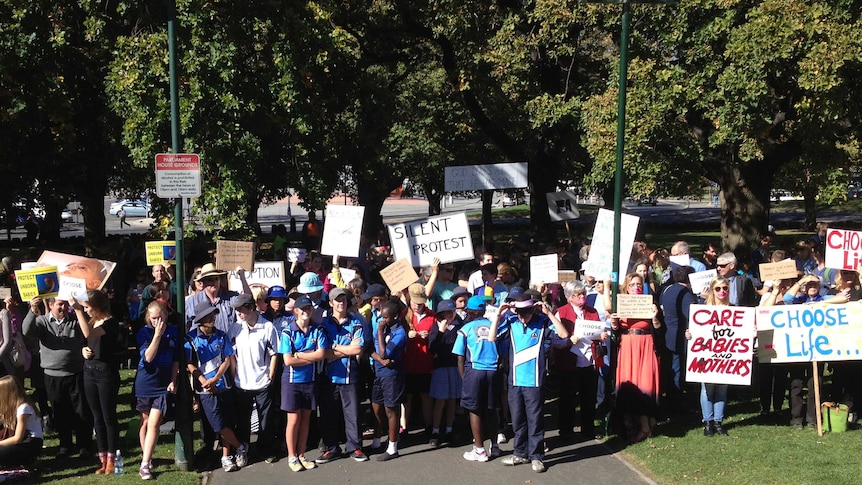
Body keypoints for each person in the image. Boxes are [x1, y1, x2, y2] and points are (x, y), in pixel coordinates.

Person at [491, 294, 569, 473]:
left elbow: (564, 335)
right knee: (518, 420)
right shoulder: (510, 322)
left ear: (533, 309)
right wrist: (498, 316)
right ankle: (520, 453)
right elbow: (491, 338)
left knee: (535, 420)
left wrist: (549, 314)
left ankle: (536, 456)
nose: (522, 317)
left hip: (535, 380)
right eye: (519, 313)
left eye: (526, 312)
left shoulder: (542, 322)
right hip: (515, 381)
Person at [22, 296, 92, 457]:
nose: (63, 308)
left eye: (65, 305)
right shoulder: (43, 322)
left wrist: (78, 308)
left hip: (75, 372)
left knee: (81, 411)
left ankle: (84, 445)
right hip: (52, 375)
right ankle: (65, 445)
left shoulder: (74, 319)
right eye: (60, 304)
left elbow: (89, 325)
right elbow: (27, 331)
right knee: (60, 411)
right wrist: (32, 311)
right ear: (51, 305)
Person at [185, 301, 247, 473]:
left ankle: (226, 457)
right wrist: (204, 380)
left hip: (223, 386)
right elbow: (189, 363)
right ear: (200, 319)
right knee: (218, 425)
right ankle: (241, 446)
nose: (212, 318)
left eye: (213, 314)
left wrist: (216, 379)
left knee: (227, 422)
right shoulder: (190, 339)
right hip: (204, 390)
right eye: (207, 316)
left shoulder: (221, 335)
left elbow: (227, 359)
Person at [70, 290, 122, 474]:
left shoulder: (111, 323)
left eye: (87, 307)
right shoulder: (92, 321)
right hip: (89, 372)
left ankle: (112, 459)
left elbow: (89, 332)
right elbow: (86, 338)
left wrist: (77, 311)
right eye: (84, 308)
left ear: (98, 306)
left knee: (108, 417)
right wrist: (84, 350)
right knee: (96, 417)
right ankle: (102, 458)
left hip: (105, 373)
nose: (86, 311)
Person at [607, 273, 661, 443]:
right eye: (633, 285)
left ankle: (646, 425)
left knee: (645, 384)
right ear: (627, 288)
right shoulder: (621, 304)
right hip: (628, 345)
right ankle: (631, 423)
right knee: (629, 384)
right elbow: (616, 330)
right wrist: (614, 324)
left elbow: (659, 329)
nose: (636, 287)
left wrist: (655, 318)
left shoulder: (650, 303)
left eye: (639, 284)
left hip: (645, 344)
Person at [316, 288, 367, 464]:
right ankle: (331, 448)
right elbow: (323, 352)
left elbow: (358, 349)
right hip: (328, 377)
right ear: (330, 303)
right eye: (337, 300)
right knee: (328, 414)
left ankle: (355, 447)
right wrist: (345, 349)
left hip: (349, 374)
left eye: (343, 299)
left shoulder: (356, 322)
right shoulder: (323, 324)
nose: (341, 302)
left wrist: (335, 347)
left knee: (352, 413)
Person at [228, 294, 280, 464]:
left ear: (251, 308)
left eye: (241, 309)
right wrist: (233, 376)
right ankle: (244, 450)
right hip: (241, 383)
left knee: (266, 420)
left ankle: (266, 449)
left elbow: (274, 354)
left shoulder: (268, 327)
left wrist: (270, 376)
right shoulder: (235, 328)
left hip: (262, 382)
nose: (238, 313)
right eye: (236, 310)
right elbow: (232, 356)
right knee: (242, 421)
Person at [278, 295, 328, 472]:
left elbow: (321, 354)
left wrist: (300, 355)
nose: (306, 312)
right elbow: (288, 361)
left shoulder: (317, 329)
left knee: (306, 418)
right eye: (303, 309)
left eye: (309, 308)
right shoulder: (287, 332)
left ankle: (301, 454)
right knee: (294, 419)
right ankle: (291, 456)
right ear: (296, 311)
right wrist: (309, 357)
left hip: (310, 380)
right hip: (292, 381)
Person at [553, 280, 607, 440]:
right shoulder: (561, 312)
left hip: (588, 360)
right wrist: (569, 340)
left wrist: (602, 336)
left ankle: (588, 429)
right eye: (578, 295)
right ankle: (566, 429)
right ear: (569, 297)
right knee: (567, 397)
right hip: (568, 361)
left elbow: (598, 331)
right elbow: (556, 338)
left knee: (588, 397)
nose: (582, 297)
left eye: (583, 293)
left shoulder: (593, 311)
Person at [453, 296, 502, 463]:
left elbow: (460, 357)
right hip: (493, 370)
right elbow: (501, 351)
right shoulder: (494, 326)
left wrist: (464, 378)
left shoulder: (465, 329)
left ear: (470, 311)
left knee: (474, 409)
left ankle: (479, 449)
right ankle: (494, 446)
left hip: (474, 370)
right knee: (491, 408)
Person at [135, 301, 180, 480]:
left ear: (166, 316)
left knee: (154, 423)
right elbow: (147, 358)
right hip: (145, 382)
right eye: (153, 318)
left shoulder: (174, 331)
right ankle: (148, 455)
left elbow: (176, 358)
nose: (157, 321)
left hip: (162, 384)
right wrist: (157, 336)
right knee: (145, 422)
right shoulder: (143, 333)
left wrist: (173, 380)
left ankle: (144, 465)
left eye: (160, 317)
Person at [686, 277, 732, 436]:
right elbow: (693, 330)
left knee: (722, 389)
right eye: (718, 289)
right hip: (706, 355)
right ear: (712, 290)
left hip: (726, 356)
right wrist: (689, 334)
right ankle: (708, 422)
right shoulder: (702, 309)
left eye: (725, 288)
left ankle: (718, 422)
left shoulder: (734, 310)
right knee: (707, 389)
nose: (722, 292)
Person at [370, 299, 407, 462]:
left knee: (391, 409)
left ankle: (392, 447)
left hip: (392, 375)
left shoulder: (399, 333)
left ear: (395, 316)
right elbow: (370, 349)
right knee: (376, 406)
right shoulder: (382, 324)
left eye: (386, 317)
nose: (382, 320)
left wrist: (380, 332)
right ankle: (377, 440)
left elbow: (386, 353)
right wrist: (380, 359)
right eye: (381, 316)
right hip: (379, 372)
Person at [659, 266, 697, 414]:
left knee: (669, 370)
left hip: (667, 334)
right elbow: (691, 314)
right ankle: (675, 405)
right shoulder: (685, 293)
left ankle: (668, 400)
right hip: (679, 338)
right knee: (677, 370)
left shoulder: (667, 289)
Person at [402, 283, 436, 440]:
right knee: (406, 398)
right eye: (415, 302)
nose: (417, 306)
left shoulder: (432, 316)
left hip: (425, 362)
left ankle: (429, 426)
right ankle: (404, 426)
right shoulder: (404, 315)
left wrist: (428, 336)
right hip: (408, 362)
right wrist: (407, 335)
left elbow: (437, 338)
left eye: (420, 303)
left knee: (426, 396)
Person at [427, 299, 463, 447]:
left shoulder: (460, 326)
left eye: (452, 311)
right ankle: (435, 431)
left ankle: (449, 429)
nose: (450, 314)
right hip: (440, 366)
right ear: (440, 314)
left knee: (452, 399)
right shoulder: (436, 327)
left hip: (454, 366)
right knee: (440, 400)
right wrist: (441, 331)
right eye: (446, 312)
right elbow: (432, 348)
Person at [0, 376, 43, 469]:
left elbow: (17, 438)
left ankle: (29, 461)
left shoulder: (24, 408)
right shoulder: (9, 407)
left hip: (30, 443)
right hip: (21, 441)